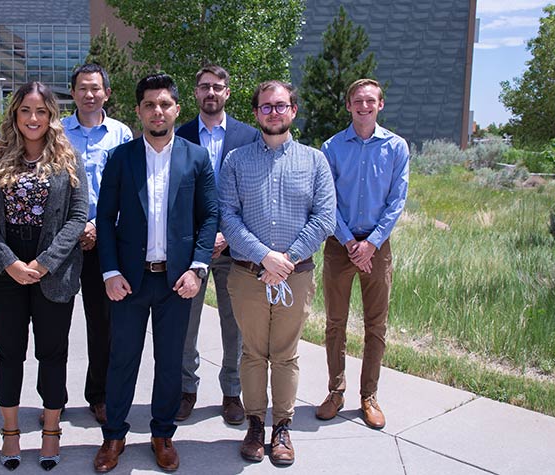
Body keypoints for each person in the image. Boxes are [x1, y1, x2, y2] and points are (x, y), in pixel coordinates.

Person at [92, 73, 218, 473]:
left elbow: (209, 216)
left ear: (177, 109)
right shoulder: (121, 158)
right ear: (139, 111)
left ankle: (162, 434)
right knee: (122, 360)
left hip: (177, 282)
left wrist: (198, 268)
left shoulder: (196, 158)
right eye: (149, 105)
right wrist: (110, 271)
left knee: (169, 362)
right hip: (130, 281)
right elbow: (104, 218)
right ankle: (114, 435)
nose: (157, 111)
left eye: (165, 104)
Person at [0, 82, 88, 471]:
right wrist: (8, 262)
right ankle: (10, 434)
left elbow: (77, 216)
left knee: (52, 354)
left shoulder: (69, 158)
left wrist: (45, 262)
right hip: (5, 271)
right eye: (25, 111)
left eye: (40, 111)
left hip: (51, 272)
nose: (33, 119)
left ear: (51, 116)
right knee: (9, 355)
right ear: (15, 115)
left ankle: (51, 435)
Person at [220, 80, 335, 466]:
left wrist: (285, 260)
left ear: (293, 111)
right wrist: (265, 256)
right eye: (266, 107)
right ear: (256, 113)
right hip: (248, 275)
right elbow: (228, 218)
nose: (273, 112)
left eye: (280, 106)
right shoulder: (236, 160)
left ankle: (282, 426)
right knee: (252, 354)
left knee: (285, 356)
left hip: (295, 276)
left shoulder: (315, 161)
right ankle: (255, 424)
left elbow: (324, 218)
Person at [316, 78, 409, 430]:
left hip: (377, 247)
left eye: (371, 101)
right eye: (358, 101)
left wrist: (370, 243)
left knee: (376, 325)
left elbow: (396, 200)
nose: (364, 106)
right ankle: (335, 392)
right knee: (335, 323)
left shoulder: (397, 147)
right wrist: (349, 242)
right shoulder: (332, 147)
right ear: (348, 106)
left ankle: (368, 396)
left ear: (380, 105)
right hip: (340, 246)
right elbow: (327, 199)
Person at [175, 64, 260, 425]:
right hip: (191, 247)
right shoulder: (179, 135)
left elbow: (252, 193)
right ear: (195, 93)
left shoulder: (248, 136)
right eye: (204, 86)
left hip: (233, 244)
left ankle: (231, 392)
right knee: (185, 323)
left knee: (234, 322)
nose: (211, 92)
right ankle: (185, 390)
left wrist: (228, 234)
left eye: (218, 87)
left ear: (228, 92)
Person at [61, 63, 133, 425]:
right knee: (53, 322)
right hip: (61, 242)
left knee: (102, 324)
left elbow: (126, 188)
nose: (89, 94)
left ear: (106, 92)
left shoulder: (121, 134)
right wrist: (76, 228)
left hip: (106, 242)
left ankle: (99, 394)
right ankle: (53, 398)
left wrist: (96, 227)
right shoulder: (56, 132)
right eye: (82, 88)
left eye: (96, 88)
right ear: (72, 92)